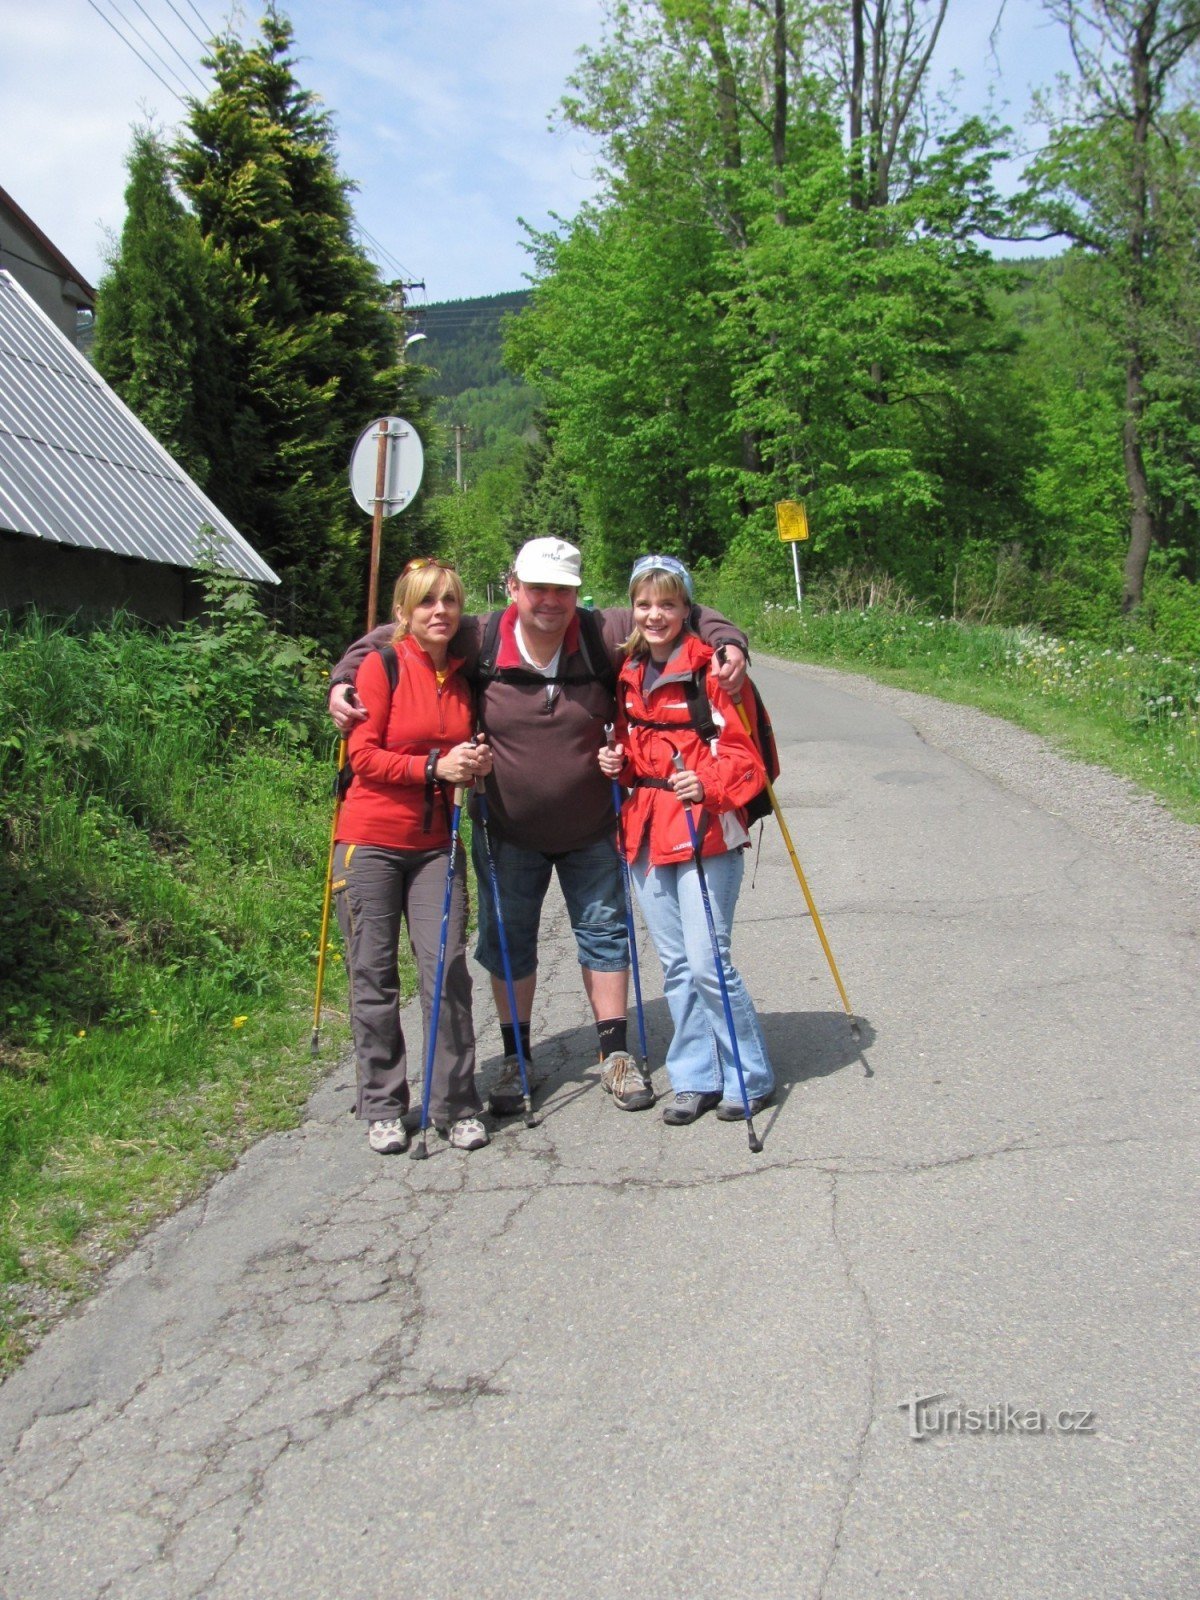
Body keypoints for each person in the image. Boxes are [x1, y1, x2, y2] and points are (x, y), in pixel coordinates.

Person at [328, 537, 750, 1119]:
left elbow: (683, 607)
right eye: (538, 588)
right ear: (513, 588)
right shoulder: (479, 635)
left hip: (593, 825)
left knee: (604, 936)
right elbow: (394, 634)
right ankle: (516, 1058)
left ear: (577, 594)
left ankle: (614, 1055)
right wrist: (343, 678)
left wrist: (729, 642)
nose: (549, 600)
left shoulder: (603, 630)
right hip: (506, 828)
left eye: (562, 590)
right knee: (507, 943)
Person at [598, 554, 775, 1125]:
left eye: (668, 604)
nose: (655, 615)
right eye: (644, 604)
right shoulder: (627, 673)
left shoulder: (712, 673)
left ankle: (748, 1077)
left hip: (706, 831)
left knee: (707, 962)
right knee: (675, 963)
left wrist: (707, 782)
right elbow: (636, 758)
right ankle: (695, 1078)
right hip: (646, 831)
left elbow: (749, 765)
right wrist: (616, 764)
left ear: (686, 609)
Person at [333, 557, 493, 1154]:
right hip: (369, 842)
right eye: (427, 602)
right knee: (373, 976)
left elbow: (464, 755)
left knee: (447, 969)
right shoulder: (381, 667)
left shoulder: (462, 675)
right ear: (403, 612)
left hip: (434, 846)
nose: (439, 612)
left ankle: (456, 1103)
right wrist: (432, 766)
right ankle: (382, 1104)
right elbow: (364, 757)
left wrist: (474, 765)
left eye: (449, 601)